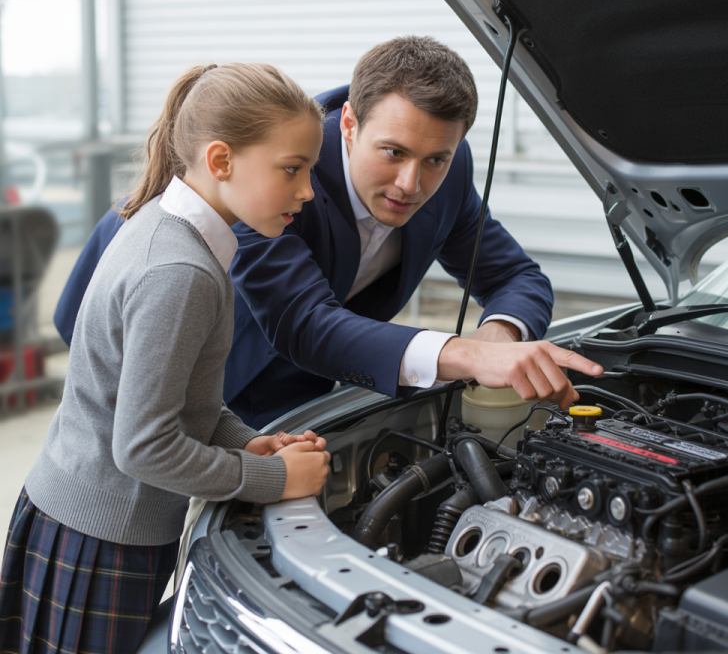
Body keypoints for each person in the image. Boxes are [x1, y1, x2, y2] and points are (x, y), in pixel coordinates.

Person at [54, 37, 602, 430]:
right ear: (349, 124)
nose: (412, 183)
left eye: (436, 158)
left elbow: (514, 276)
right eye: (393, 152)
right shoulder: (278, 176)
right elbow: (303, 322)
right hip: (174, 355)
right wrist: (463, 356)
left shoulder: (450, 174)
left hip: (302, 379)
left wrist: (499, 336)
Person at [0, 63, 331, 654]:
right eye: (292, 169)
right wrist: (272, 479)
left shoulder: (165, 225)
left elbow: (177, 401)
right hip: (101, 540)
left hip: (83, 519)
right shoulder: (181, 271)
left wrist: (245, 441)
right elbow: (143, 447)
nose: (307, 191)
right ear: (221, 160)